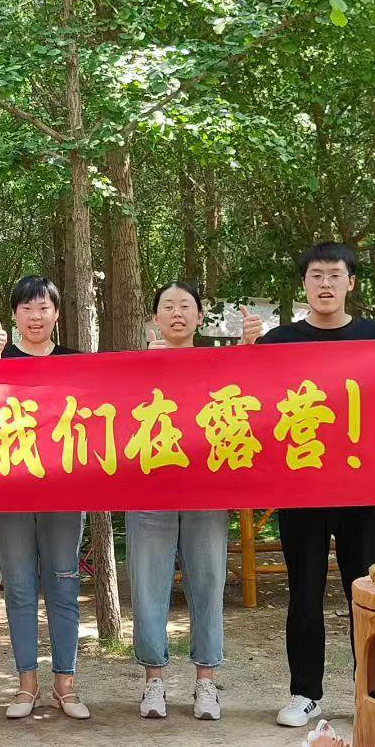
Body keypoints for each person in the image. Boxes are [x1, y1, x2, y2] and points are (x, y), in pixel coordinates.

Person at [242, 242, 375, 728]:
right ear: (304, 284)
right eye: (316, 276)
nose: (325, 284)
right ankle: (305, 692)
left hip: (360, 491)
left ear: (352, 283)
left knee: (365, 592)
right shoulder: (280, 340)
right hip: (300, 490)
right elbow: (247, 399)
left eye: (335, 275)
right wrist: (246, 353)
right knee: (303, 592)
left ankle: (374, 693)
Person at [0, 275, 89, 720]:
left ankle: (66, 684)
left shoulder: (78, 362)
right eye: (27, 308)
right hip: (9, 493)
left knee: (64, 585)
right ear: (14, 315)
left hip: (64, 492)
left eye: (44, 307)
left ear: (57, 313)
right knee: (20, 589)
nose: (36, 316)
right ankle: (26, 685)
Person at [126, 283, 227, 721]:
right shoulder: (133, 368)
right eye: (168, 306)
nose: (177, 313)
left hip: (207, 490)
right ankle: (154, 681)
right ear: (154, 319)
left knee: (208, 582)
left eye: (186, 306)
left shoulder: (221, 365)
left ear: (200, 318)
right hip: (149, 490)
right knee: (149, 586)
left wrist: (251, 352)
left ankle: (206, 684)